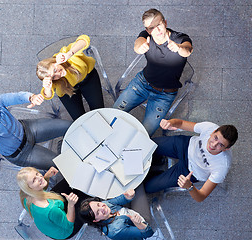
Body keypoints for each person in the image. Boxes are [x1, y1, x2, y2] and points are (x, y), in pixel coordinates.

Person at [113, 8, 193, 136]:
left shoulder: (179, 38)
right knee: (113, 114)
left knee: (144, 135)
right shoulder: (146, 36)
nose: (157, 30)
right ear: (147, 30)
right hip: (142, 84)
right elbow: (137, 44)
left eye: (159, 25)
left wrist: (178, 48)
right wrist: (140, 47)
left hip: (164, 95)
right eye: (151, 28)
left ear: (165, 23)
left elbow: (187, 50)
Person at [0, 85, 71, 170]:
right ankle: (61, 147)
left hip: (29, 129)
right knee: (63, 165)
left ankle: (62, 144)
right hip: (22, 154)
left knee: (69, 126)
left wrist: (31, 97)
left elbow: (16, 96)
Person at [144, 118, 238, 202]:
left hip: (190, 172)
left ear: (226, 149)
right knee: (147, 145)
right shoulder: (209, 127)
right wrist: (170, 122)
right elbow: (180, 123)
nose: (213, 145)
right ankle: (157, 160)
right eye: (215, 138)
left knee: (147, 187)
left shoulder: (222, 166)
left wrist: (189, 186)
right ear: (212, 132)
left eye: (220, 145)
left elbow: (201, 197)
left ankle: (156, 169)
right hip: (185, 146)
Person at [37, 35, 104, 120]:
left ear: (54, 62)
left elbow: (84, 39)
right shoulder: (55, 81)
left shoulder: (66, 55)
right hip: (67, 91)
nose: (58, 75)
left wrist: (69, 53)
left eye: (54, 70)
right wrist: (47, 88)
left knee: (99, 111)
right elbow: (47, 95)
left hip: (88, 79)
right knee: (79, 119)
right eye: (53, 77)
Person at [17, 167, 88, 239]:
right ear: (29, 189)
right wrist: (71, 205)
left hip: (50, 222)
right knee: (87, 196)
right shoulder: (50, 209)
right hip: (66, 229)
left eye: (37, 174)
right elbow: (68, 224)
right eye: (34, 180)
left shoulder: (24, 195)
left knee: (69, 181)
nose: (40, 177)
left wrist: (46, 177)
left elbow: (38, 190)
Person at [78, 189, 154, 240]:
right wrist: (139, 223)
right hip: (140, 223)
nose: (102, 208)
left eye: (98, 204)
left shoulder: (104, 204)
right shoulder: (116, 230)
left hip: (127, 213)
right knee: (139, 186)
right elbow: (149, 233)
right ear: (96, 220)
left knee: (134, 184)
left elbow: (119, 200)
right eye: (98, 212)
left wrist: (128, 196)